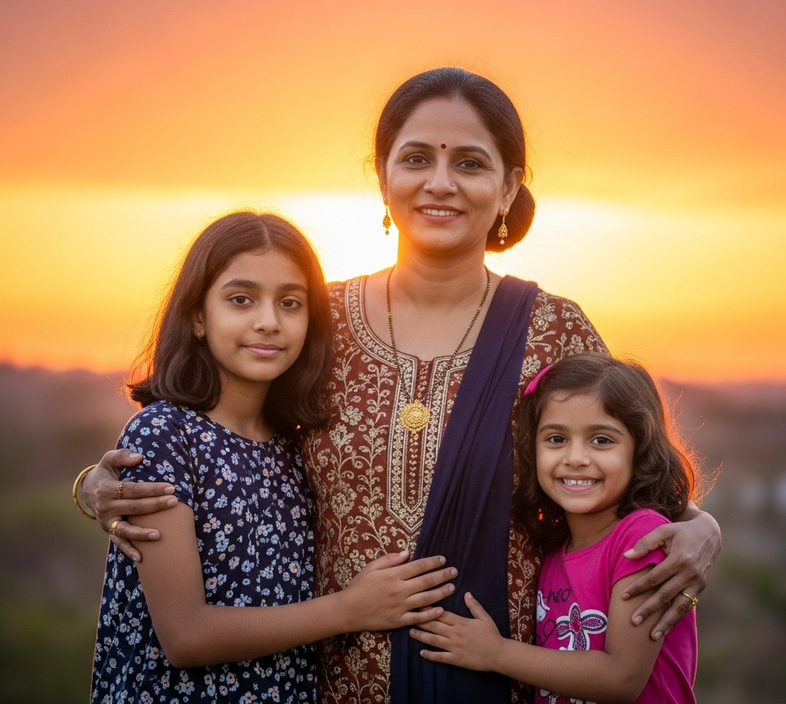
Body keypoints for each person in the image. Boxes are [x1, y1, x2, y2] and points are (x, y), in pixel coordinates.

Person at [77, 68, 721, 703]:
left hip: (492, 675)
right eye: (416, 159)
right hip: (318, 680)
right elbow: (221, 434)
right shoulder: (316, 319)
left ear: (508, 187)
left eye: (470, 163)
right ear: (383, 176)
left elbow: (623, 471)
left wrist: (698, 525)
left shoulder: (552, 330)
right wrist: (98, 486)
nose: (440, 183)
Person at [88, 211, 457, 704]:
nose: (268, 322)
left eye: (290, 303)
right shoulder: (164, 434)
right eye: (241, 300)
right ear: (198, 316)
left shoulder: (294, 445)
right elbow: (186, 635)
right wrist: (353, 609)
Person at [411, 353, 704, 702]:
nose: (576, 458)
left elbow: (621, 678)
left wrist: (494, 653)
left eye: (601, 440)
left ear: (639, 451)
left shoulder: (641, 537)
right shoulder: (552, 549)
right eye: (556, 439)